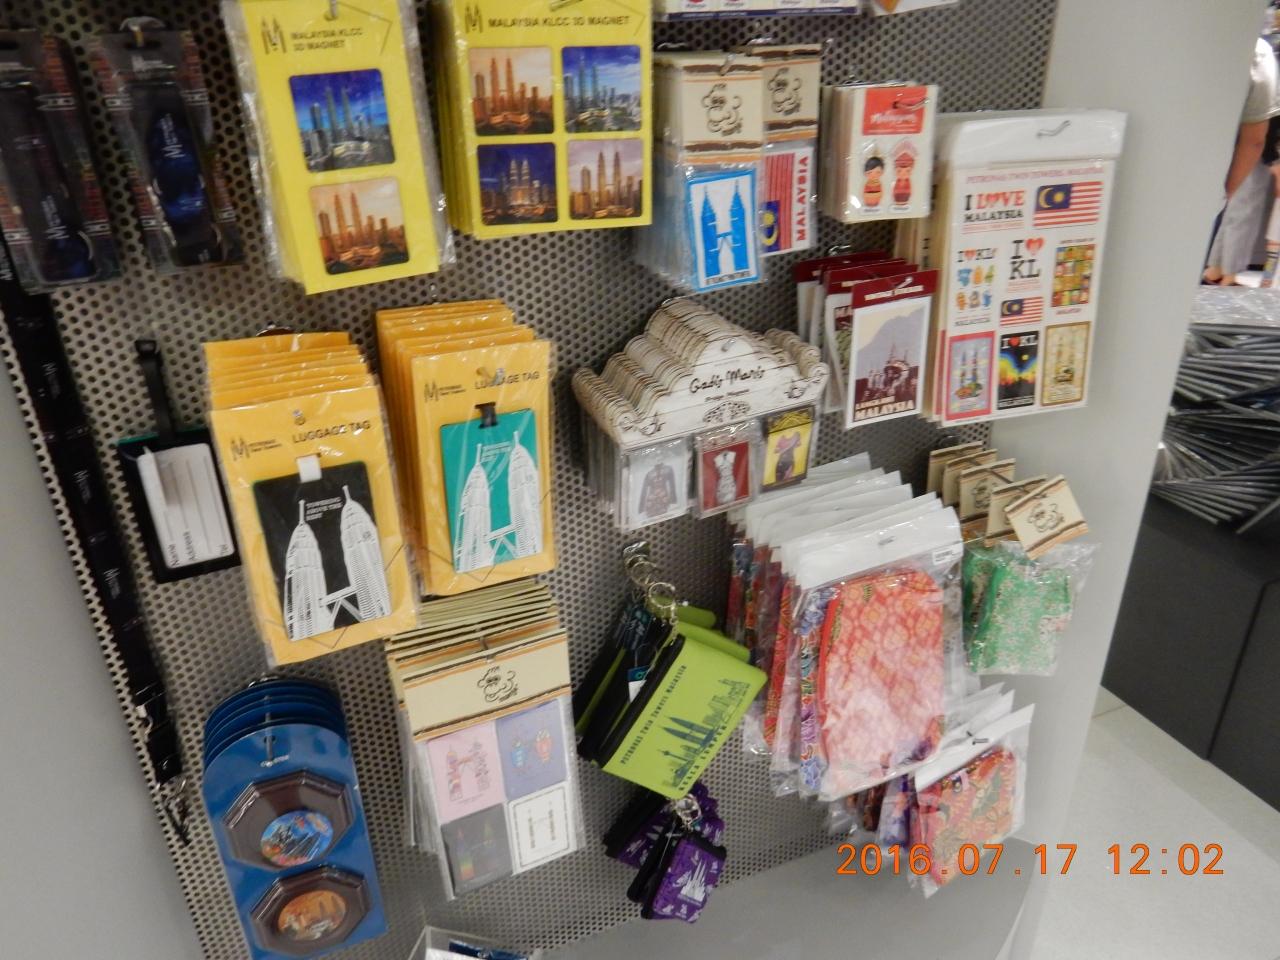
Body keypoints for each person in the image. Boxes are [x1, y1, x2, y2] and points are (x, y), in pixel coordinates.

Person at [1204, 36, 1280, 285]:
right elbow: (1257, 137)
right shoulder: (1259, 54)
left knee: (1235, 206)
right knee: (1244, 205)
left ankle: (1217, 267)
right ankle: (1230, 273)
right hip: (1254, 142)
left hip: (1233, 139)